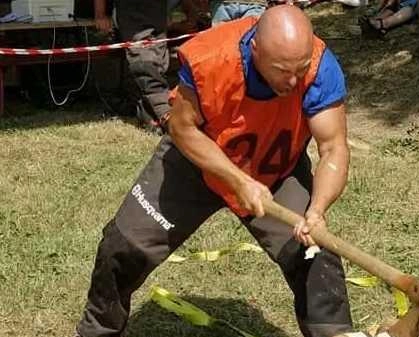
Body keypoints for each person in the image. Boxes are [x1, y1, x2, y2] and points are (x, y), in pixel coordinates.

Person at [75, 5, 356, 337]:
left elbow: (333, 147)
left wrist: (318, 210)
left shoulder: (321, 65)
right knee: (122, 247)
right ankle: (97, 332)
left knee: (315, 258)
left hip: (274, 169)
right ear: (255, 50)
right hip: (197, 161)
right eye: (282, 70)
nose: (294, 81)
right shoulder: (210, 57)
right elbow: (182, 129)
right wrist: (238, 180)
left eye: (301, 68)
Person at [94, 0, 180, 134]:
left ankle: (151, 116)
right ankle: (164, 116)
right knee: (146, 66)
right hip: (133, 18)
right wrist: (100, 15)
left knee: (157, 65)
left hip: (156, 16)